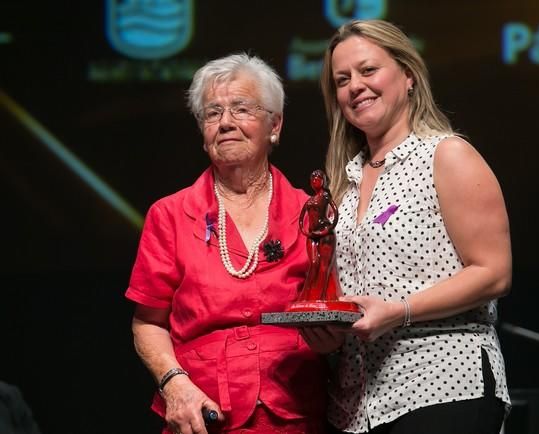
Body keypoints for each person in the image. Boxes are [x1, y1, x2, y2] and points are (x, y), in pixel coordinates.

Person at [301, 19, 512, 434]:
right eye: (342, 80)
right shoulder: (343, 183)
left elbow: (494, 273)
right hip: (356, 406)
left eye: (368, 70)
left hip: (443, 387)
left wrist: (401, 311)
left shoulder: (447, 155)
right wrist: (330, 334)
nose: (355, 86)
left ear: (408, 75)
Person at [126, 53, 328, 434]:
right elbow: (147, 323)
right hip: (201, 416)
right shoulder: (168, 215)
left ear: (275, 125)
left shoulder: (312, 214)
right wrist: (175, 385)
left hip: (296, 414)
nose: (226, 123)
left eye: (241, 108)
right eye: (212, 113)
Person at [298, 170, 339, 301]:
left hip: (324, 232)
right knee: (313, 263)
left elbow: (335, 213)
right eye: (313, 179)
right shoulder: (310, 200)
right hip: (312, 234)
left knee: (324, 267)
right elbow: (301, 219)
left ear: (323, 181)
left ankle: (322, 296)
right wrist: (304, 231)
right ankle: (307, 296)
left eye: (318, 179)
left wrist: (329, 228)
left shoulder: (325, 195)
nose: (315, 181)